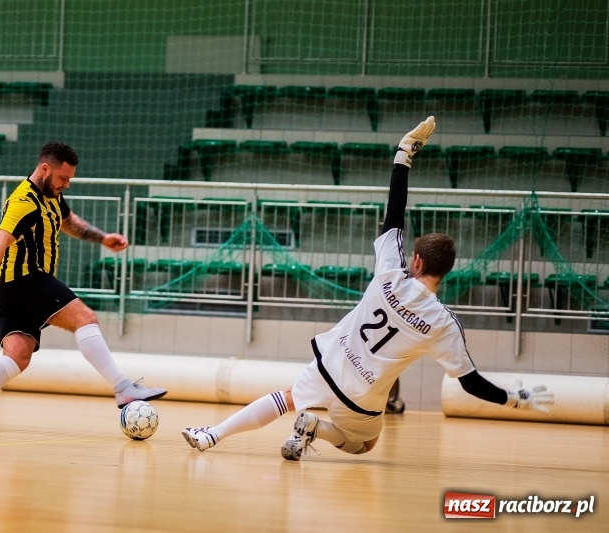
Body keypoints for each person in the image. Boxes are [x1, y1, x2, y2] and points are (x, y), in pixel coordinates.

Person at [182, 117, 554, 459]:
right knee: (365, 444)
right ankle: (318, 429)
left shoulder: (390, 271)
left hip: (331, 364)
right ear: (447, 271)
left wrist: (403, 155)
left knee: (286, 398)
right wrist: (513, 399)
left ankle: (211, 435)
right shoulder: (443, 323)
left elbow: (394, 213)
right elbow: (470, 383)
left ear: (417, 261)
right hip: (363, 397)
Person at [0, 141, 166, 431]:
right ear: (45, 169)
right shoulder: (25, 201)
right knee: (85, 318)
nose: (66, 184)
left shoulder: (51, 194)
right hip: (27, 280)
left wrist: (103, 238)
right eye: (63, 178)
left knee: (18, 357)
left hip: (12, 290)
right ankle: (123, 388)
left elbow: (69, 222)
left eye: (69, 179)